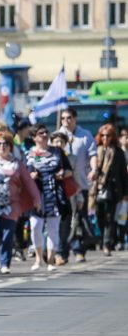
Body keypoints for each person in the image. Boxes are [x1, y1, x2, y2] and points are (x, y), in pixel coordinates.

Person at [0, 129, 41, 274]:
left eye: (6, 144)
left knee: (8, 233)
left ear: (10, 146)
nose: (2, 146)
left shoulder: (17, 163)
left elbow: (28, 181)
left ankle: (5, 263)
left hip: (12, 204)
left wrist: (36, 198)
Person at [26, 124, 72, 271]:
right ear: (34, 138)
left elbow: (69, 171)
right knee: (35, 226)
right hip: (37, 195)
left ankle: (51, 260)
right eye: (41, 133)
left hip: (54, 193)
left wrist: (62, 174)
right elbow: (24, 174)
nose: (45, 135)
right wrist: (31, 176)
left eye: (46, 132)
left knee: (53, 228)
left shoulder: (57, 152)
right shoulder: (29, 154)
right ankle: (39, 259)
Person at [57, 108, 98, 264]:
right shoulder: (57, 136)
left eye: (69, 118)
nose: (66, 121)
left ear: (75, 119)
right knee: (64, 219)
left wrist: (94, 169)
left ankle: (79, 249)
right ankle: (62, 252)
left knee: (80, 218)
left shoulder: (85, 135)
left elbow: (92, 154)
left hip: (81, 185)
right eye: (63, 118)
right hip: (63, 186)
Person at [88, 123, 128, 256]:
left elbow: (123, 173)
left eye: (108, 135)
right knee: (99, 216)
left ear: (113, 137)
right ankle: (101, 240)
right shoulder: (96, 150)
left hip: (113, 189)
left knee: (110, 217)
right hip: (96, 188)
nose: (105, 138)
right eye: (103, 135)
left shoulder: (118, 152)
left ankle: (107, 244)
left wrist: (125, 193)